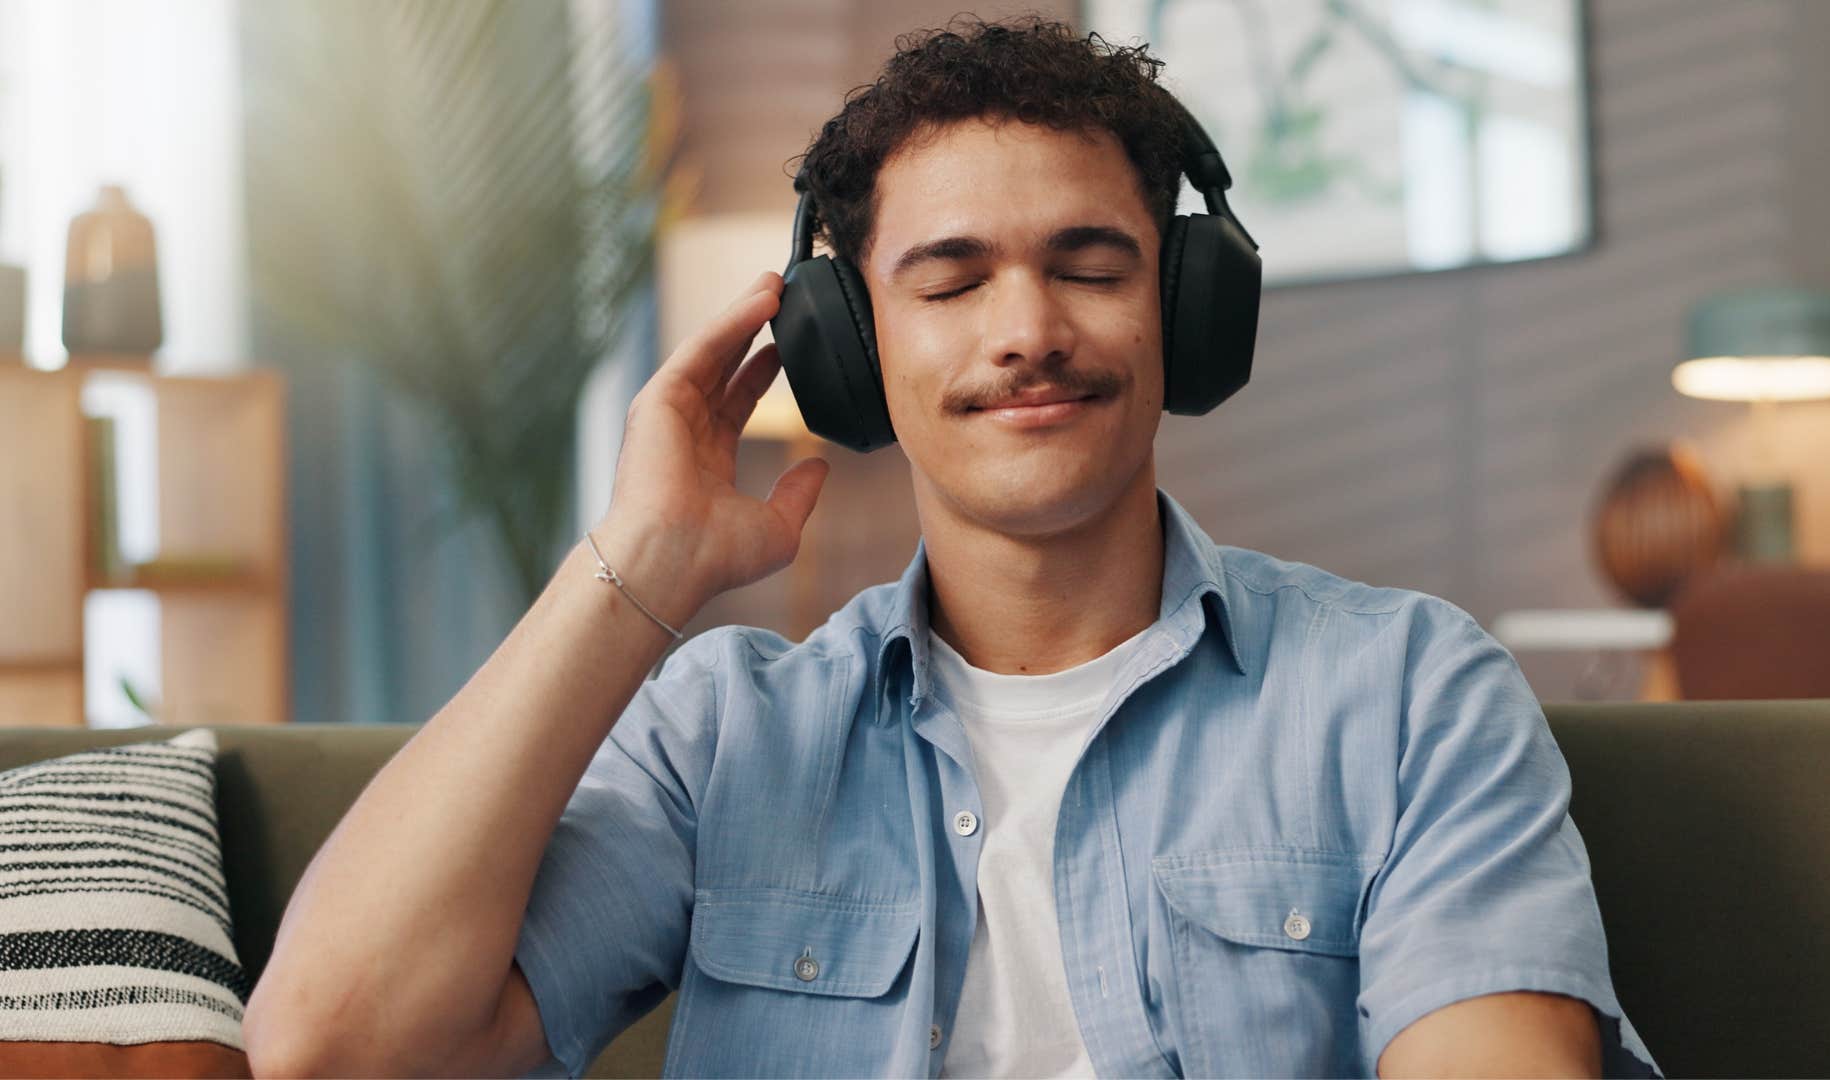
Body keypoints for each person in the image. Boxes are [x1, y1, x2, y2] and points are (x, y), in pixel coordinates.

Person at [244, 16, 1660, 1080]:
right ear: (847, 351)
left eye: (1092, 267)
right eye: (953, 279)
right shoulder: (731, 732)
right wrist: (638, 561)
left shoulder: (1408, 694)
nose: (1027, 329)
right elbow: (329, 1045)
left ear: (1188, 313)